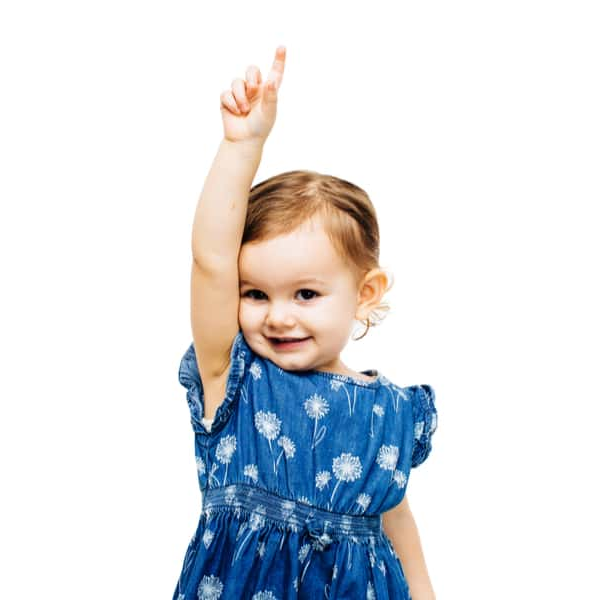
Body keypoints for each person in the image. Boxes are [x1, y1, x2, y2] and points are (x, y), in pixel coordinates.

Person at [175, 46, 439, 600]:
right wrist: (242, 146)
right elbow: (211, 260)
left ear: (365, 295)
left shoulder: (391, 410)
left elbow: (396, 519)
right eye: (255, 293)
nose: (278, 316)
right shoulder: (233, 377)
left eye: (306, 293)